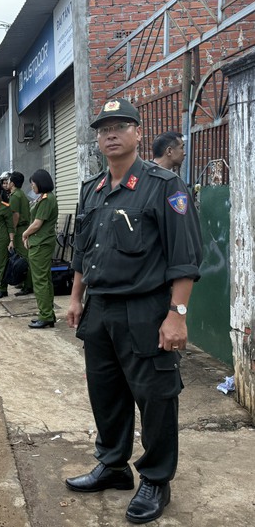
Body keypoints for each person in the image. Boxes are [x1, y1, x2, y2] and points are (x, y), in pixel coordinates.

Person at [64, 97, 203, 525]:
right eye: (104, 128)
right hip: (100, 310)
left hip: (145, 309)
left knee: (156, 398)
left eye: (121, 125)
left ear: (139, 133)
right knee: (105, 393)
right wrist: (75, 297)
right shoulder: (93, 188)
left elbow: (184, 257)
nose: (111, 133)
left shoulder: (164, 186)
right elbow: (84, 252)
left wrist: (176, 314)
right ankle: (113, 465)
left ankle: (156, 479)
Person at [22, 169, 59, 329]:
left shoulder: (46, 199)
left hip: (40, 244)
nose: (32, 186)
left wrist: (24, 234)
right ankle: (48, 314)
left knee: (40, 281)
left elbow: (37, 223)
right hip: (41, 242)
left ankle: (45, 315)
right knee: (45, 279)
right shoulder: (45, 198)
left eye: (33, 183)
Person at [8, 172, 32, 296]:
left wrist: (12, 229)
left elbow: (15, 215)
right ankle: (23, 283)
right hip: (23, 227)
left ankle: (28, 285)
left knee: (24, 257)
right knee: (22, 256)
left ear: (12, 183)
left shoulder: (15, 196)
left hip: (20, 228)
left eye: (8, 180)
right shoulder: (20, 194)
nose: (7, 182)